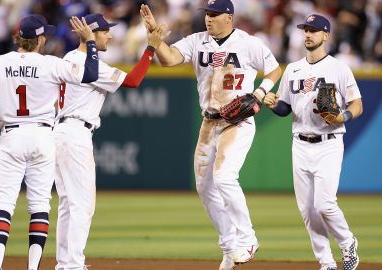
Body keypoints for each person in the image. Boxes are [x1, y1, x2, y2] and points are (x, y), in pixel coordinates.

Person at [140, 1, 282, 270]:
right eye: (207, 14)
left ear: (229, 17)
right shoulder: (197, 41)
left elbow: (274, 69)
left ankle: (248, 238)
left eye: (214, 14)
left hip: (237, 121)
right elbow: (168, 59)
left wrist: (261, 92)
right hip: (209, 122)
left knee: (225, 177)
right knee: (205, 188)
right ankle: (229, 246)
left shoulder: (248, 43)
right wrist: (155, 38)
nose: (208, 19)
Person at [0, 14, 99, 270]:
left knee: (2, 204)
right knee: (39, 206)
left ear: (19, 38)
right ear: (40, 40)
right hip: (43, 137)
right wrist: (90, 43)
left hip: (10, 136)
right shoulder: (50, 65)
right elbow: (90, 74)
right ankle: (32, 268)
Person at [53, 13, 165, 270]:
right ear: (91, 34)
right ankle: (72, 265)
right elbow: (134, 80)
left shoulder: (68, 58)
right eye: (105, 31)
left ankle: (64, 263)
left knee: (68, 205)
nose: (111, 35)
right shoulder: (90, 64)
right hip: (75, 133)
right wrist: (150, 48)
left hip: (60, 132)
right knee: (82, 205)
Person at [263, 14, 362, 270]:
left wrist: (344, 115)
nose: (308, 34)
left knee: (324, 204)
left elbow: (357, 103)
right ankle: (326, 262)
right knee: (307, 210)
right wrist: (274, 104)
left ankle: (347, 241)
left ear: (326, 35)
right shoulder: (293, 69)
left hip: (329, 143)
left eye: (314, 30)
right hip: (300, 143)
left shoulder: (338, 68)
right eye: (305, 30)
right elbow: (285, 108)